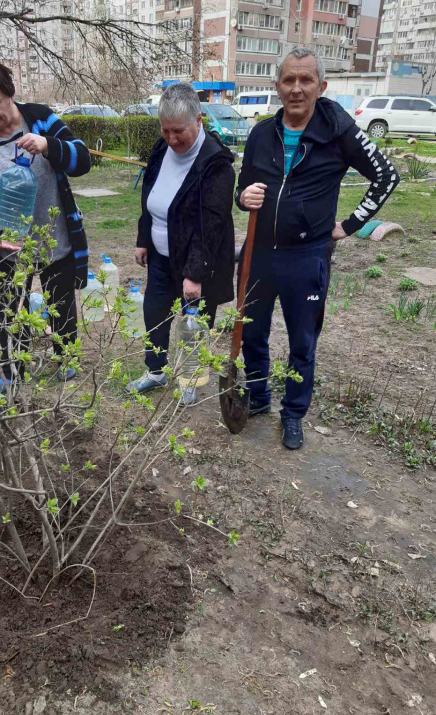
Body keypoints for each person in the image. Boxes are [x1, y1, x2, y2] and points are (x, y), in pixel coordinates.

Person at [236, 47, 399, 450]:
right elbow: (244, 184)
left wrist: (351, 225)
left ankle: (293, 415)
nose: (296, 88)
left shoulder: (338, 131)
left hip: (306, 256)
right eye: (288, 80)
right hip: (258, 251)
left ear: (321, 86)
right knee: (253, 331)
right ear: (277, 86)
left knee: (302, 340)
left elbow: (386, 175)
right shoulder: (260, 133)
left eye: (305, 80)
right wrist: (244, 197)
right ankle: (258, 397)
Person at [0, 60, 91, 387]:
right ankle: (13, 371)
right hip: (7, 248)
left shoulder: (41, 118)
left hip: (53, 236)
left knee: (60, 305)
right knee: (9, 312)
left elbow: (82, 160)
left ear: (10, 94)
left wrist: (49, 146)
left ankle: (66, 360)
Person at [126, 82, 236, 405]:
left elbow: (211, 226)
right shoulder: (162, 150)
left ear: (198, 120)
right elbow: (150, 197)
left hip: (197, 262)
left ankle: (189, 376)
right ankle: (156, 370)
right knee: (154, 313)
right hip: (161, 256)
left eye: (179, 132)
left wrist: (195, 273)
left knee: (194, 323)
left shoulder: (217, 164)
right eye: (166, 130)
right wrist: (144, 238)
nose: (172, 139)